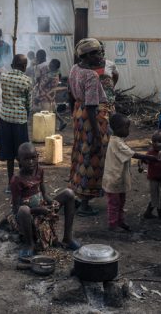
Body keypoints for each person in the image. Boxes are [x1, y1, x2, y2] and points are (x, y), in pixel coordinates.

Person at [10, 143, 80, 260]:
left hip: (41, 208)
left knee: (69, 193)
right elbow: (16, 209)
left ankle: (68, 238)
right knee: (24, 209)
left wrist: (51, 203)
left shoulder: (39, 171)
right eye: (26, 159)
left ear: (37, 157)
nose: (31, 162)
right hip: (27, 216)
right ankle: (29, 244)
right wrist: (38, 210)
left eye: (33, 158)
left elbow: (44, 194)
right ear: (19, 160)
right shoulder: (16, 180)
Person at [68, 38, 110, 216]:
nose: (101, 56)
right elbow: (92, 107)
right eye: (98, 53)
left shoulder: (74, 69)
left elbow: (71, 95)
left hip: (79, 114)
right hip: (91, 119)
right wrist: (98, 135)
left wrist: (75, 115)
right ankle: (85, 203)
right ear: (88, 55)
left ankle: (77, 195)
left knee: (80, 154)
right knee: (92, 157)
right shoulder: (91, 76)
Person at [0, 54, 32, 191]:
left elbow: (4, 96)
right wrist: (26, 115)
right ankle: (23, 182)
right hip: (19, 121)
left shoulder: (3, 77)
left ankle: (10, 184)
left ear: (12, 65)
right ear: (24, 67)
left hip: (5, 119)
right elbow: (28, 103)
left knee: (9, 154)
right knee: (22, 154)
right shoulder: (27, 80)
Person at [102, 114, 135, 232]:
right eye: (126, 128)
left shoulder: (118, 140)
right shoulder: (116, 142)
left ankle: (120, 221)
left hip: (118, 178)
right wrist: (149, 158)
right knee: (114, 204)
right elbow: (132, 154)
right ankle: (113, 224)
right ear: (117, 129)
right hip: (114, 179)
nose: (128, 131)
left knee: (120, 202)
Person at [134, 130, 161, 220]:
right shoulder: (151, 152)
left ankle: (152, 213)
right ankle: (157, 215)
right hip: (154, 178)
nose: (155, 144)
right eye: (154, 141)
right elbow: (142, 160)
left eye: (159, 142)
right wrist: (140, 166)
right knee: (155, 198)